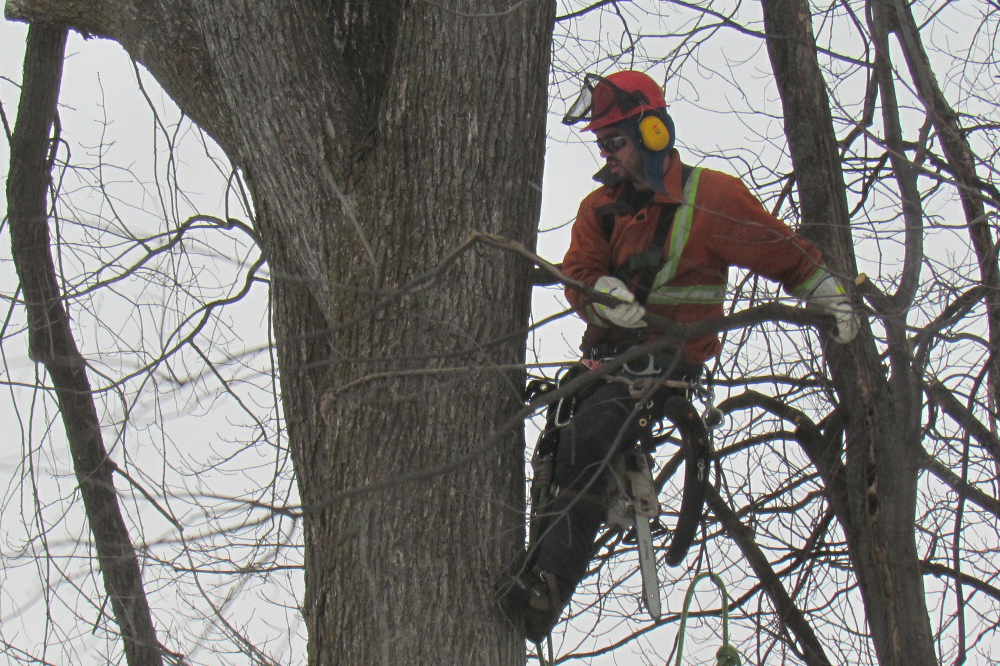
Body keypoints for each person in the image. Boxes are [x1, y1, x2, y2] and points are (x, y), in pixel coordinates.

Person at [499, 70, 861, 643]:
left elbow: (779, 249)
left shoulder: (709, 198)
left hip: (666, 366)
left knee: (591, 436)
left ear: (652, 132)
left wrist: (827, 293)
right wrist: (598, 296)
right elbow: (579, 271)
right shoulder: (600, 207)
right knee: (558, 441)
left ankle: (548, 586)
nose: (607, 154)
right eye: (601, 144)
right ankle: (534, 558)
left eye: (615, 141)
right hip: (605, 361)